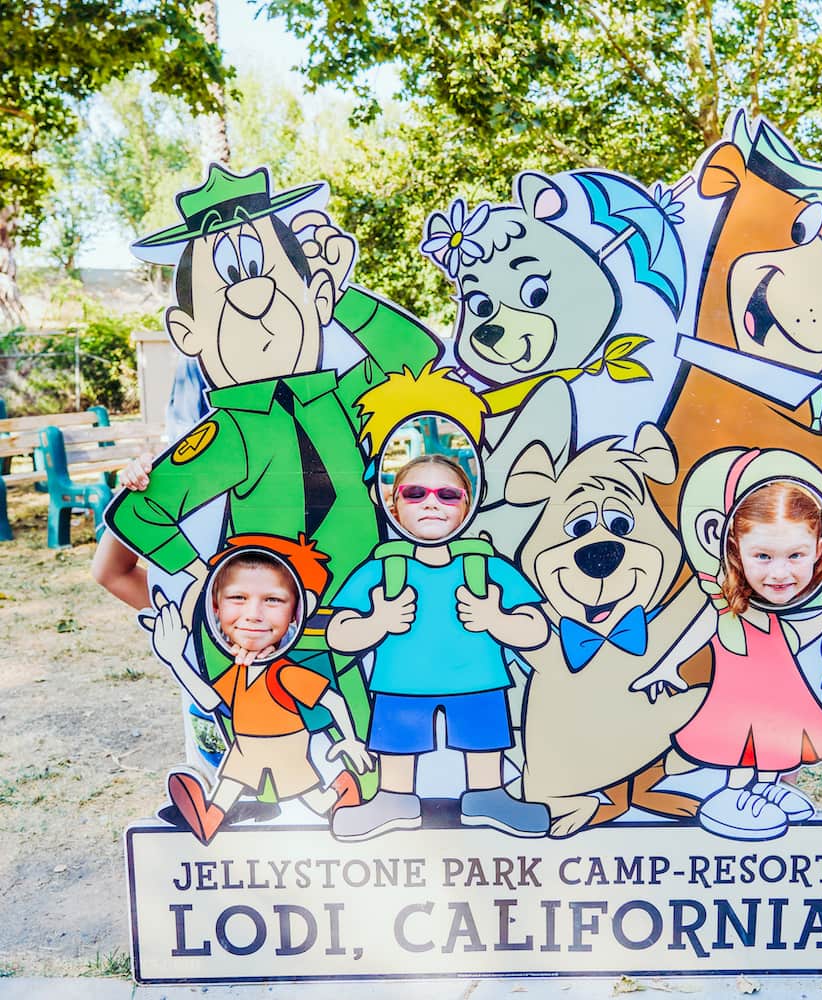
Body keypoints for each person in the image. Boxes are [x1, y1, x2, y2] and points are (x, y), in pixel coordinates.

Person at [94, 164, 441, 800]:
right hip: (277, 632)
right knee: (278, 776)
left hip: (368, 618)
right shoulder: (229, 433)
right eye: (226, 291)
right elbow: (140, 519)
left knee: (378, 766)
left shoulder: (340, 397)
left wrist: (348, 298)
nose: (254, 298)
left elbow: (415, 360)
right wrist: (204, 584)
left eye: (277, 281)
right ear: (188, 333)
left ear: (312, 297)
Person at [325, 452, 552, 841]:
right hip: (401, 686)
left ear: (468, 505)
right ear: (393, 507)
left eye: (447, 494)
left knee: (484, 738)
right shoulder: (383, 569)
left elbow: (535, 628)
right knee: (397, 741)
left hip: (479, 682)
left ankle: (488, 796)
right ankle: (394, 799)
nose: (432, 502)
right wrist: (378, 622)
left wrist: (495, 619)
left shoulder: (484, 565)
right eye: (415, 493)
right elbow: (339, 634)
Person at [672, 473, 822, 841]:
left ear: (819, 549)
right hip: (735, 703)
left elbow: (797, 636)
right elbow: (692, 637)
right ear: (736, 549)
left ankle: (767, 788)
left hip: (777, 704)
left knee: (775, 744)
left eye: (795, 555)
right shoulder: (720, 605)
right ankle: (733, 795)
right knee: (740, 745)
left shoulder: (800, 614)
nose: (780, 572)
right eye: (763, 556)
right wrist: (665, 669)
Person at [143, 534, 373, 845]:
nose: (253, 613)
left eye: (273, 600)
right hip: (244, 752)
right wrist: (175, 659)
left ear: (297, 610)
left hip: (285, 752)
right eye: (237, 598)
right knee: (223, 796)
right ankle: (206, 819)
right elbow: (211, 700)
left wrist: (351, 741)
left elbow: (331, 700)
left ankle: (344, 788)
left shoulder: (285, 672)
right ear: (215, 605)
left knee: (318, 804)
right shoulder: (238, 670)